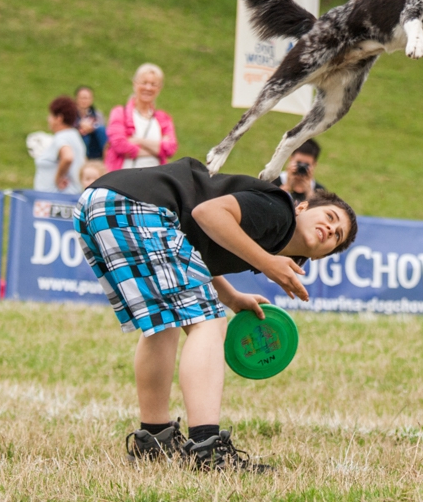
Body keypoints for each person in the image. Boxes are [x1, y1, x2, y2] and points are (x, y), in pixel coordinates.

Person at [74, 157, 357, 470]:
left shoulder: (267, 237)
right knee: (208, 320)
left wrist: (233, 298)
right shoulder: (279, 211)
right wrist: (266, 262)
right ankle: (207, 449)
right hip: (138, 207)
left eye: (337, 236)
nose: (331, 229)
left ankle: (154, 440)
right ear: (301, 207)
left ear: (322, 255)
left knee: (164, 321)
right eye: (331, 217)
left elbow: (191, 246)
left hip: (101, 203)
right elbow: (207, 213)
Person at [105, 64, 178, 172]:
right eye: (144, 83)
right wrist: (158, 149)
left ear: (159, 88)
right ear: (135, 84)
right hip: (123, 178)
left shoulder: (163, 119)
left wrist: (138, 141)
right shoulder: (120, 112)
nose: (148, 88)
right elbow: (120, 145)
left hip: (154, 180)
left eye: (154, 84)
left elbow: (170, 148)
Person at [33, 96, 87, 194]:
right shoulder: (75, 136)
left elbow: (68, 157)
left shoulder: (62, 136)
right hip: (70, 196)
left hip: (54, 200)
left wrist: (59, 177)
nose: (48, 119)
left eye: (51, 115)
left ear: (59, 118)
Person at [273, 139, 326, 206]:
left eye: (306, 165)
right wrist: (287, 185)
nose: (302, 167)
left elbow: (318, 212)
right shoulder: (275, 181)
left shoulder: (319, 190)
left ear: (314, 165)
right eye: (299, 163)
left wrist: (309, 192)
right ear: (291, 159)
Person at [75, 86, 108, 160]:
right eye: (82, 98)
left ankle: (107, 157)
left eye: (87, 98)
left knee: (101, 130)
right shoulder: (71, 114)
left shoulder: (97, 114)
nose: (84, 101)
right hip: (78, 142)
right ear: (76, 99)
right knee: (85, 135)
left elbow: (102, 129)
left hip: (94, 145)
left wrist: (92, 128)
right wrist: (80, 127)